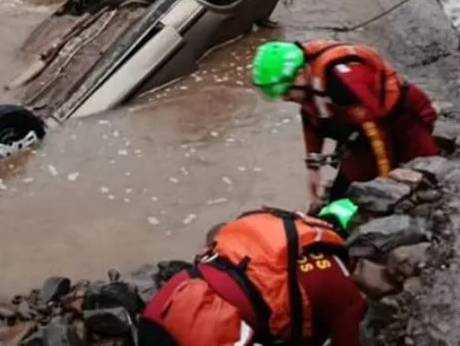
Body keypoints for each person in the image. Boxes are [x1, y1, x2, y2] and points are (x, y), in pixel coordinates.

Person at [137, 200, 374, 346]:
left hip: (168, 300)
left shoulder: (271, 231)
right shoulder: (345, 292)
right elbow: (348, 339)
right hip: (206, 328)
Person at [250, 40, 439, 210]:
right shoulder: (307, 85)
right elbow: (311, 121)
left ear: (300, 74)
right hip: (361, 131)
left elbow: (377, 135)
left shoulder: (342, 82)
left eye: (282, 90)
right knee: (340, 197)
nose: (283, 98)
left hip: (404, 120)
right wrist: (313, 169)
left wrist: (383, 185)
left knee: (428, 178)